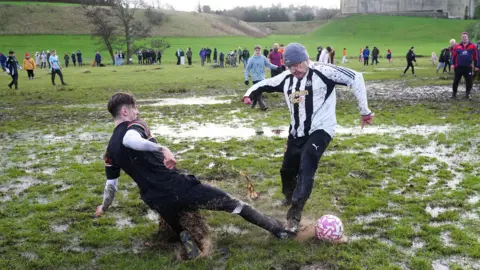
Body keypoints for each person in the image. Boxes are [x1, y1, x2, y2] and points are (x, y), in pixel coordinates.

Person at [95, 93, 290, 260]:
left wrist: (104, 206)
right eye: (135, 109)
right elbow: (130, 140)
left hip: (156, 200)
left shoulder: (110, 151)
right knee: (233, 204)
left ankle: (195, 254)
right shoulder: (135, 126)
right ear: (125, 112)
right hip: (179, 187)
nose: (137, 112)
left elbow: (111, 186)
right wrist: (162, 148)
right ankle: (278, 230)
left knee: (183, 232)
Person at [242, 43, 373, 234]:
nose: (295, 69)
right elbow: (263, 84)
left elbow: (356, 77)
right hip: (296, 133)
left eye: (298, 64)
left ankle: (294, 215)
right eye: (290, 66)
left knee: (308, 161)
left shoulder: (323, 71)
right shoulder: (287, 78)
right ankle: (288, 197)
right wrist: (248, 94)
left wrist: (364, 111)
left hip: (321, 129)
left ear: (306, 60)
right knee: (287, 171)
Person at [244, 45, 279, 111]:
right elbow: (247, 69)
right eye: (256, 50)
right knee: (258, 92)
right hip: (255, 78)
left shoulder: (263, 58)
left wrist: (277, 67)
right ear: (254, 51)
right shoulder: (251, 59)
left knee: (258, 92)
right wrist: (246, 79)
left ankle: (253, 104)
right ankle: (262, 106)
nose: (257, 52)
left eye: (259, 50)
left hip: (262, 78)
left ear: (260, 51)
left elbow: (269, 65)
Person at [451, 32, 478, 99]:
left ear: (467, 37)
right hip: (458, 67)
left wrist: (476, 65)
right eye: (463, 37)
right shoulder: (457, 46)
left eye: (465, 37)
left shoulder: (473, 46)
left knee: (469, 81)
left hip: (468, 67)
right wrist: (452, 64)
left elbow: (476, 57)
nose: (464, 38)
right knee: (455, 81)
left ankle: (467, 94)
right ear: (461, 38)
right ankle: (454, 94)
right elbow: (453, 56)